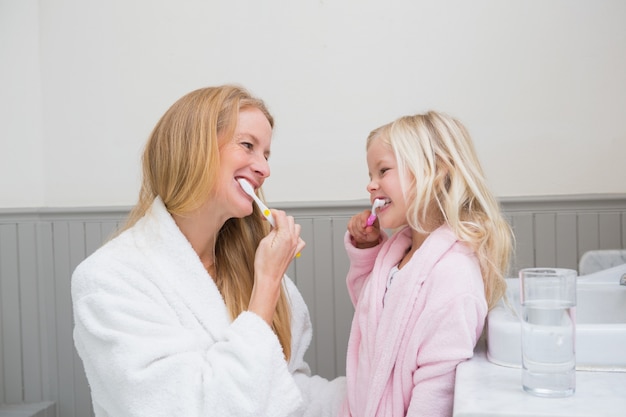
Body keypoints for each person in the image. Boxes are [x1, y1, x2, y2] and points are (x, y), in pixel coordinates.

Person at [71, 85, 345, 417]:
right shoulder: (109, 279)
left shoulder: (250, 264)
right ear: (194, 150)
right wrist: (266, 288)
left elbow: (288, 389)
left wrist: (372, 396)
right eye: (248, 146)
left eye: (267, 154)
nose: (264, 169)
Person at [340, 111, 513, 417]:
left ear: (435, 173)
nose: (371, 185)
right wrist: (367, 250)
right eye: (370, 175)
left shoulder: (454, 276)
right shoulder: (399, 252)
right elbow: (372, 319)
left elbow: (437, 392)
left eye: (383, 171)